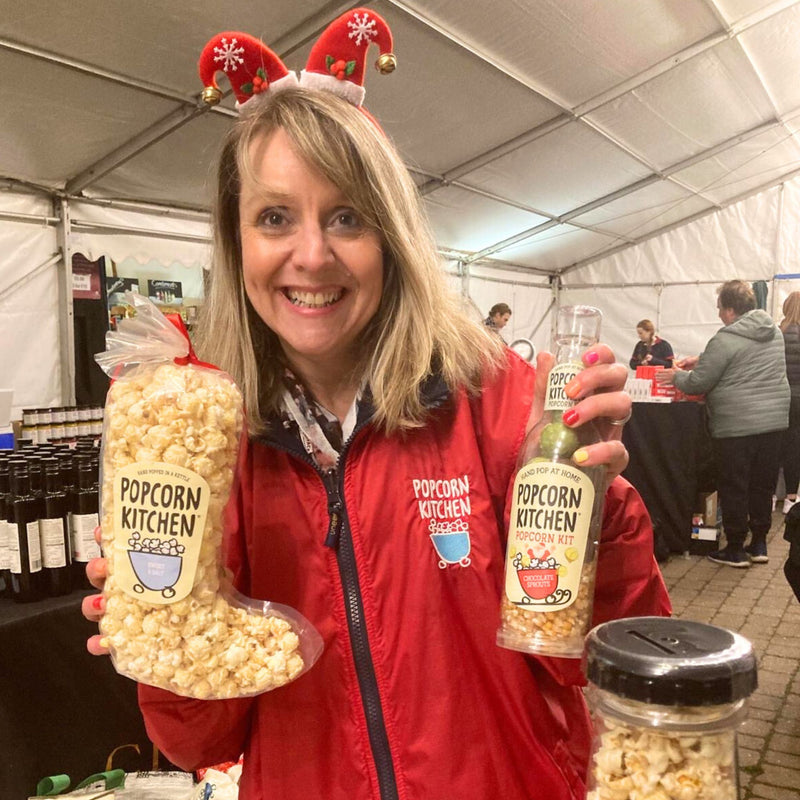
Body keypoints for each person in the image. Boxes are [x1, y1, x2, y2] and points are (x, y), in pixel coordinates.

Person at [81, 11, 670, 800]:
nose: (312, 254)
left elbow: (588, 661)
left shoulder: (496, 400)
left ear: (393, 238)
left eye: (348, 217)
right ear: (237, 240)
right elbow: (199, 740)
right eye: (275, 217)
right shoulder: (204, 441)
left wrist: (602, 505)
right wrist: (159, 625)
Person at [658, 280, 790, 567]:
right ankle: (758, 543)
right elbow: (741, 358)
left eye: (719, 308)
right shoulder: (772, 333)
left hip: (736, 426)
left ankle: (734, 548)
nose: (718, 314)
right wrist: (703, 358)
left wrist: (675, 377)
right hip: (774, 423)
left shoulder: (724, 338)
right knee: (761, 486)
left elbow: (699, 382)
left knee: (735, 486)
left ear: (730, 310)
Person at [779, 291, 800, 514]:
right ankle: (791, 498)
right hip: (799, 399)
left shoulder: (778, 333)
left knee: (775, 445)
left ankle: (771, 494)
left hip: (780, 397)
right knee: (794, 447)